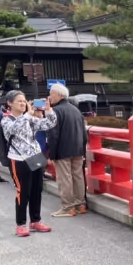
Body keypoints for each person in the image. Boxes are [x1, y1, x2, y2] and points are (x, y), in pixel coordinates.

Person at [1, 91, 57, 237]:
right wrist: (27, 114)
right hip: (19, 159)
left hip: (36, 156)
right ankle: (20, 224)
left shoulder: (31, 119)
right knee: (23, 191)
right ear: (9, 103)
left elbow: (49, 124)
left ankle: (35, 220)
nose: (22, 103)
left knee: (36, 190)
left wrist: (48, 110)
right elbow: (14, 129)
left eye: (24, 100)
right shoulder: (6, 119)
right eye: (19, 101)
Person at [47, 84, 88, 217]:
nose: (49, 97)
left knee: (64, 178)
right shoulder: (76, 110)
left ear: (59, 95)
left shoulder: (55, 111)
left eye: (51, 94)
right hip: (78, 148)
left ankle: (68, 207)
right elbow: (84, 133)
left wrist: (52, 154)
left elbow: (53, 135)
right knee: (78, 176)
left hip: (62, 149)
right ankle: (80, 204)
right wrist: (83, 149)